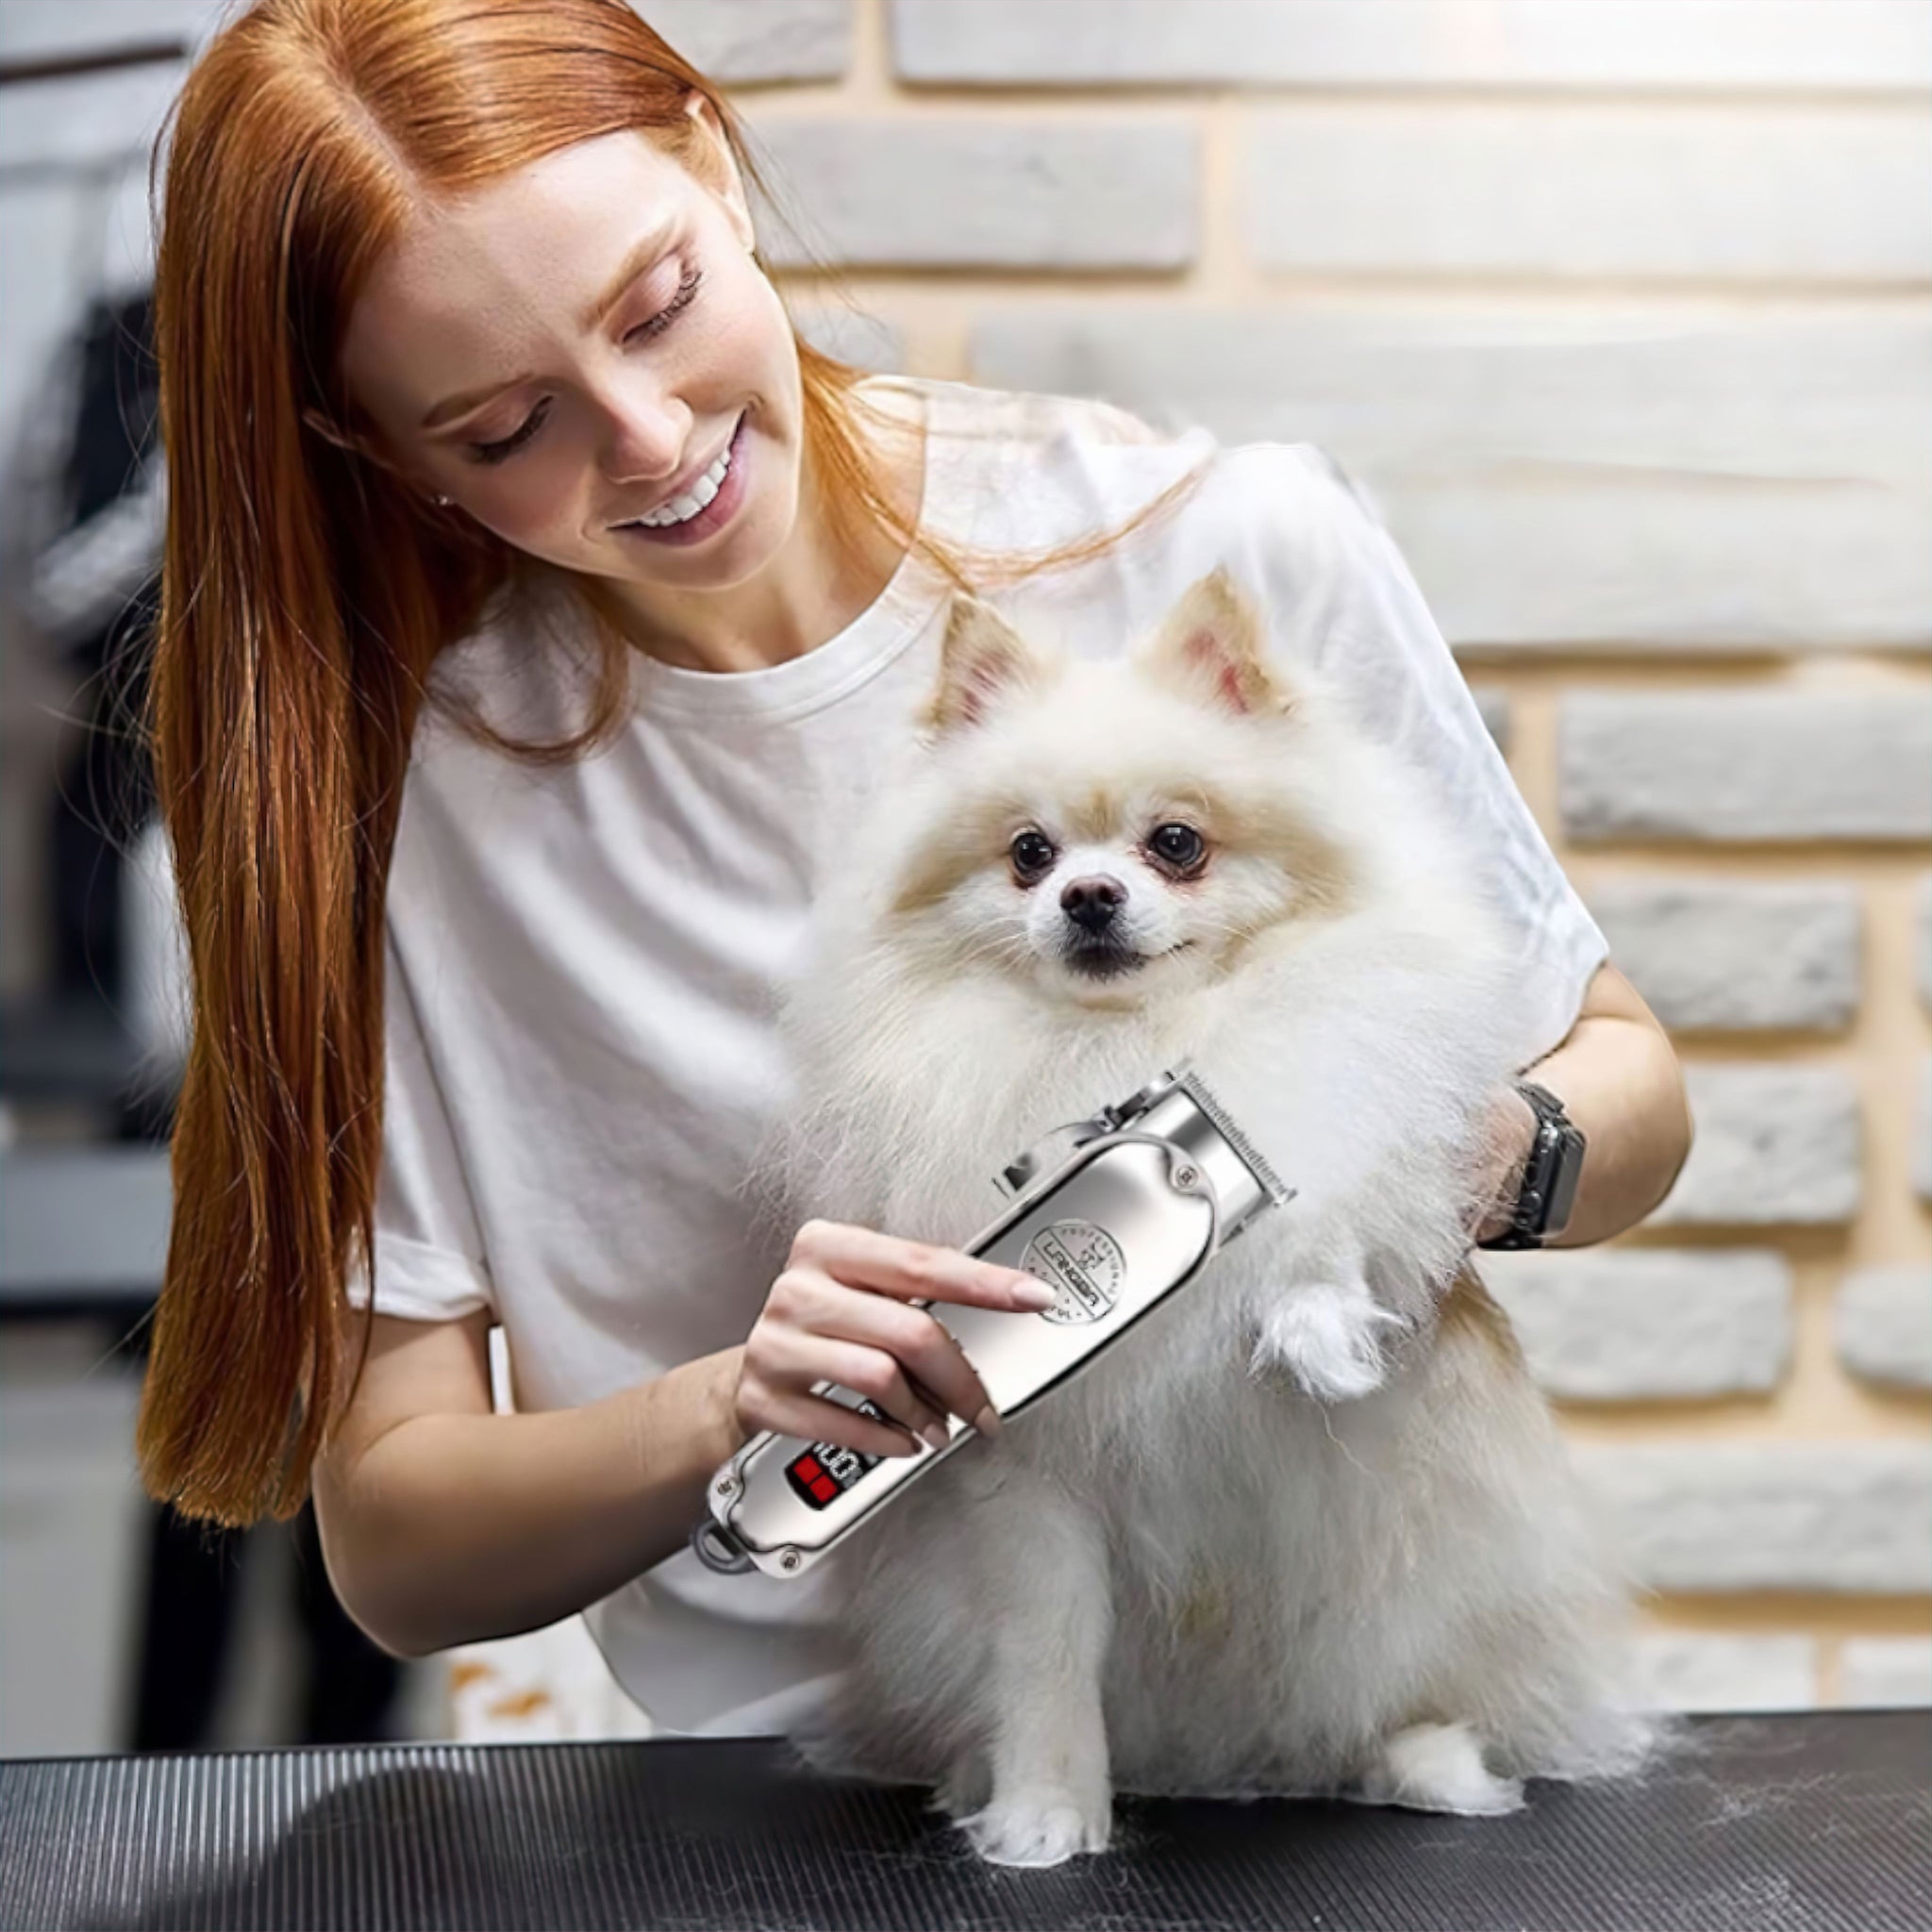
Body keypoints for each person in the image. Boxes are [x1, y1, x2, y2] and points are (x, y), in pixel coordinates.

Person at [135, 0, 1693, 1742]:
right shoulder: (427, 803)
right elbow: (401, 1546)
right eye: (508, 429)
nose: (647, 439)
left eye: (658, 306)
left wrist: (1420, 1168)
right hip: (814, 1778)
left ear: (714, 162)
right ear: (380, 450)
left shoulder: (1213, 547)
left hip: (1313, 1717)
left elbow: (1628, 1088)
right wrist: (738, 1401)